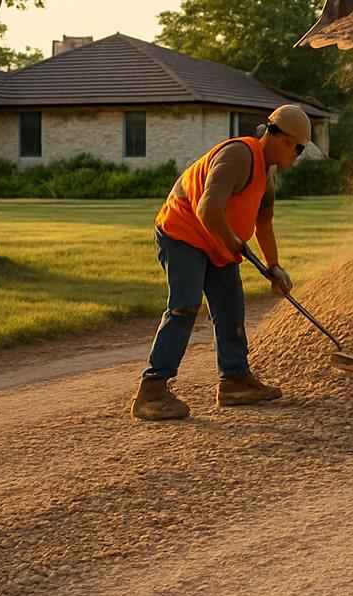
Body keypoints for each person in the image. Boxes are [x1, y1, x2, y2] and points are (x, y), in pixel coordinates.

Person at [128, 104, 311, 421]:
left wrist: (274, 266)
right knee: (184, 305)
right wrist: (233, 242)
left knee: (230, 307)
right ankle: (152, 390)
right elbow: (207, 210)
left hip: (217, 242)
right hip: (182, 233)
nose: (298, 157)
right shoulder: (239, 156)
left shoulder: (266, 172)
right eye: (299, 149)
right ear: (284, 140)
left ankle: (235, 381)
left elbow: (264, 222)